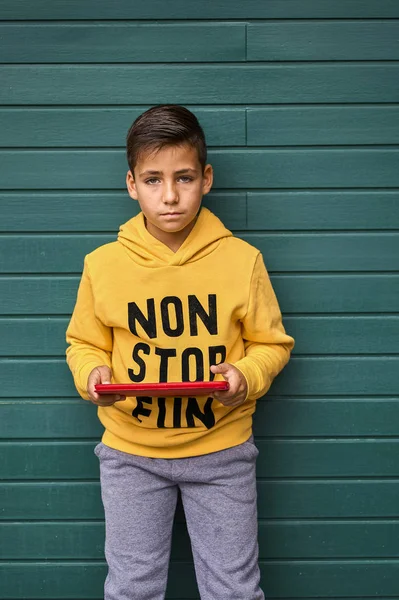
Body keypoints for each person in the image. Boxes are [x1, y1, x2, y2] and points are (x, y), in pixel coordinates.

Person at [66, 104, 295, 600]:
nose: (169, 195)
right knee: (131, 587)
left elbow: (271, 343)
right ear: (131, 184)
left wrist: (245, 374)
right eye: (152, 179)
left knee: (233, 588)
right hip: (131, 454)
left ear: (206, 178)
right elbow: (82, 342)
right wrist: (92, 374)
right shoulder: (103, 265)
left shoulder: (242, 260)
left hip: (222, 451)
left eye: (184, 177)